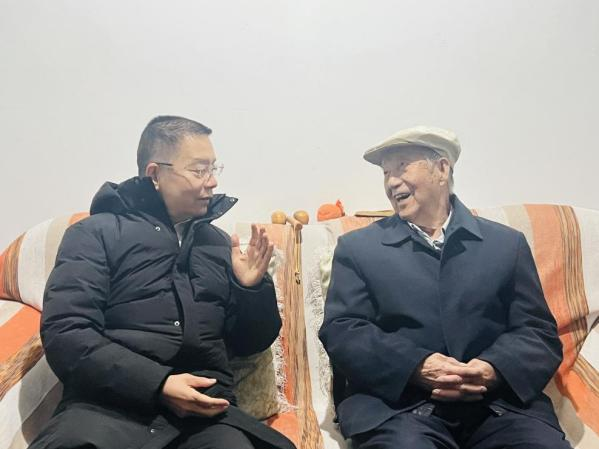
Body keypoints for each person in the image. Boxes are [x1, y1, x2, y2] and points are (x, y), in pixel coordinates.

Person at [29, 116, 295, 449]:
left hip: (204, 415)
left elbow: (249, 344)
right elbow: (67, 332)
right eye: (199, 170)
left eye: (214, 169)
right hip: (106, 407)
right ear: (155, 174)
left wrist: (250, 289)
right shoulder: (95, 234)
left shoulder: (218, 244)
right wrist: (159, 384)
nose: (213, 182)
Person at [319, 126, 572, 448]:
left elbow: (537, 332)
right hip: (400, 409)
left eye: (402, 167)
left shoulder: (506, 244)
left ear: (441, 169)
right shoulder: (359, 248)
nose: (392, 182)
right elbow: (342, 331)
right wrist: (417, 366)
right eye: (385, 173)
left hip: (498, 407)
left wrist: (492, 369)